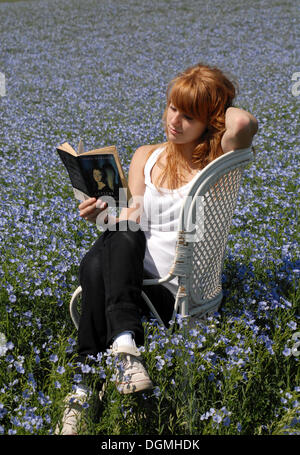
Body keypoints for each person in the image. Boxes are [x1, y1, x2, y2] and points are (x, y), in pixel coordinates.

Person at [56, 62, 258, 434]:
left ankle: (84, 386)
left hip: (171, 291)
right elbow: (132, 214)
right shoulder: (144, 156)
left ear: (211, 121)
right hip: (131, 279)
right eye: (172, 107)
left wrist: (212, 100)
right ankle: (123, 349)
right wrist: (100, 215)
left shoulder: (217, 161)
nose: (175, 120)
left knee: (102, 262)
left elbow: (242, 123)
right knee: (120, 232)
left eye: (189, 115)